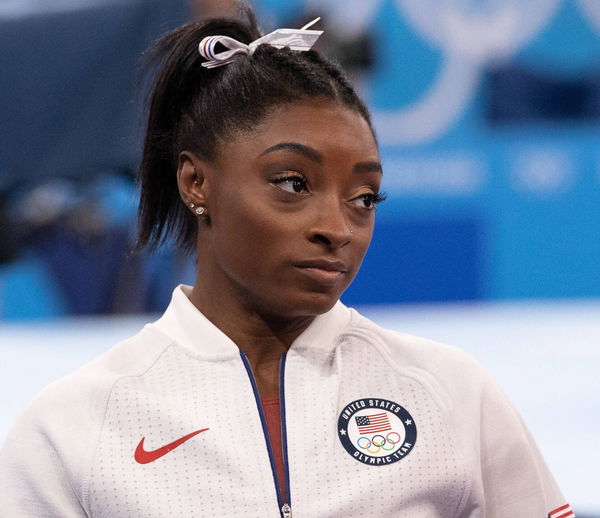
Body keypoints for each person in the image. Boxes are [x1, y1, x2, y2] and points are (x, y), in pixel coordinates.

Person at [0, 5, 574, 518]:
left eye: (364, 197)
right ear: (195, 181)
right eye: (293, 183)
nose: (336, 228)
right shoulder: (73, 428)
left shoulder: (451, 393)